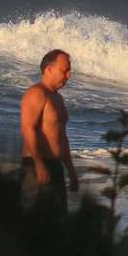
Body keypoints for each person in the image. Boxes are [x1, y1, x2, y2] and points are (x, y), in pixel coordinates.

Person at [19, 49, 79, 211]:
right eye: (64, 71)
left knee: (58, 223)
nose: (68, 76)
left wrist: (71, 171)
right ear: (48, 70)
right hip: (35, 164)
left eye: (69, 71)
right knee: (37, 222)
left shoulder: (57, 98)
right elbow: (27, 128)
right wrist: (38, 164)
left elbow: (62, 138)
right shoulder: (36, 94)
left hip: (55, 166)